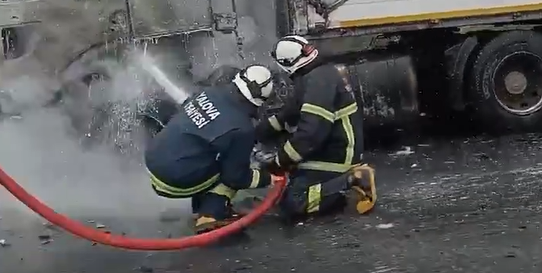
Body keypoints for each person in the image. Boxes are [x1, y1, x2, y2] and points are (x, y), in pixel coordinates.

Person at [145, 64, 279, 233]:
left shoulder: (210, 92)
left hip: (154, 159)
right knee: (235, 170)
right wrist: (267, 178)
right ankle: (210, 213)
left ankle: (200, 205)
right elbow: (236, 177)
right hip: (173, 179)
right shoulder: (241, 128)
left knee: (206, 153)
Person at [256, 35, 377, 219]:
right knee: (294, 183)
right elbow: (288, 114)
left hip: (338, 154)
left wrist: (280, 161)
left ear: (286, 63)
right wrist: (257, 133)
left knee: (293, 203)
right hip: (331, 145)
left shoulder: (318, 83)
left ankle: (353, 180)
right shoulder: (314, 74)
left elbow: (310, 133)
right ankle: (336, 191)